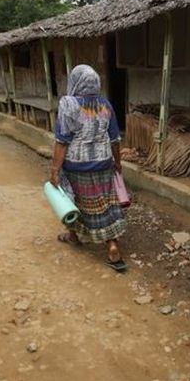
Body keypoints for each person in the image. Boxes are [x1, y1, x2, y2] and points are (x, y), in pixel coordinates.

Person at [50, 64, 128, 272]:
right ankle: (110, 244)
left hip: (76, 165)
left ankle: (76, 235)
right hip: (103, 163)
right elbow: (115, 139)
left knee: (71, 200)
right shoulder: (106, 105)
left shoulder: (69, 105)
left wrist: (55, 170)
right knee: (105, 204)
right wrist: (117, 162)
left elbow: (62, 141)